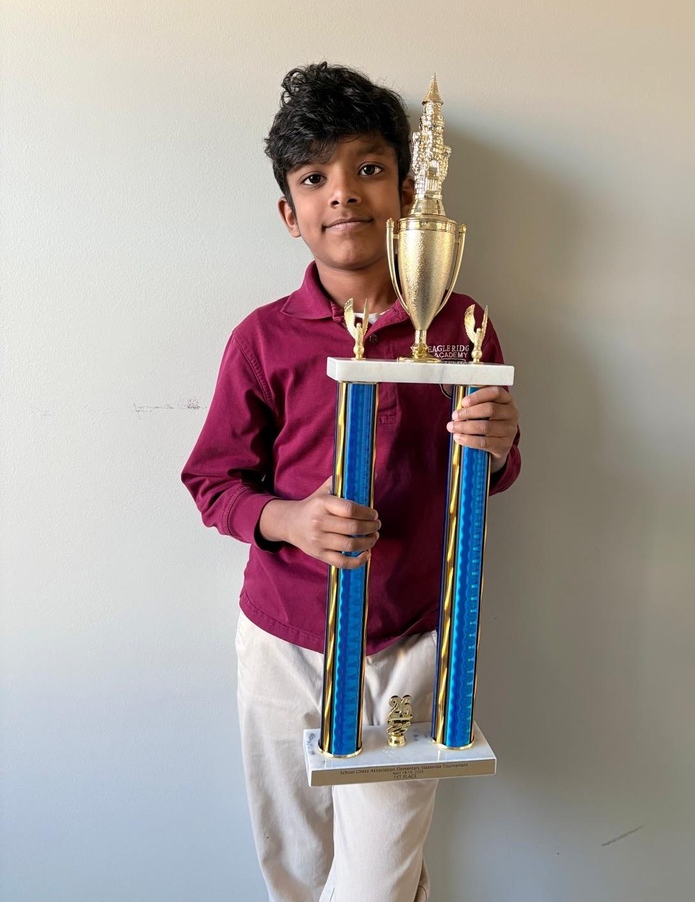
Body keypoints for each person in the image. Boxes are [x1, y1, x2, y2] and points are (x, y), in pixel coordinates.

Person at [182, 62, 521, 902]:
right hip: (284, 640)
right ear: (289, 214)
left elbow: (494, 474)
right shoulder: (262, 338)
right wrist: (289, 519)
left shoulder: (460, 325)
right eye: (314, 177)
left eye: (368, 169)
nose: (344, 194)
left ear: (407, 190)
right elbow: (213, 482)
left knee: (377, 879)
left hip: (410, 642)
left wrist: (501, 439)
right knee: (294, 868)